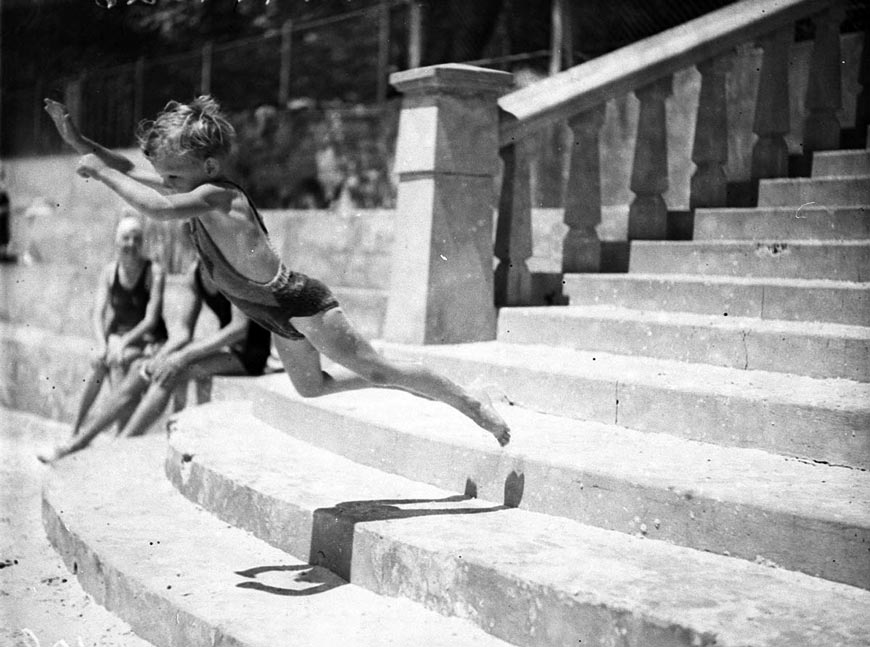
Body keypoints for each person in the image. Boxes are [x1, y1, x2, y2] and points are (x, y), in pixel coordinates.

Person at [43, 95, 510, 452]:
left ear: (207, 166)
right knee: (312, 387)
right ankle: (394, 377)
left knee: (379, 368)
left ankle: (471, 403)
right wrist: (81, 144)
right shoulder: (186, 184)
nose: (165, 182)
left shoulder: (216, 196)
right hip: (271, 315)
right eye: (163, 176)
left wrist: (101, 175)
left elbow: (157, 206)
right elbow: (131, 169)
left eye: (173, 176)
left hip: (298, 303)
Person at [38, 259, 272, 462]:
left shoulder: (232, 270)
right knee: (143, 367)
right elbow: (182, 330)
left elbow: (239, 328)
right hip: (229, 351)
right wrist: (160, 356)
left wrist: (182, 356)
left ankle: (119, 446)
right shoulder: (195, 273)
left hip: (250, 355)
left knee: (172, 371)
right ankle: (78, 442)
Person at [69, 214, 168, 437]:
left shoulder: (154, 272)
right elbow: (97, 314)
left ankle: (121, 432)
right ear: (117, 242)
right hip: (118, 339)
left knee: (118, 361)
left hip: (149, 340)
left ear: (142, 242)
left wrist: (121, 344)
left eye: (136, 239)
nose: (131, 244)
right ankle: (76, 427)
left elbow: (151, 320)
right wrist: (102, 344)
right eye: (126, 238)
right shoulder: (109, 272)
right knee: (99, 363)